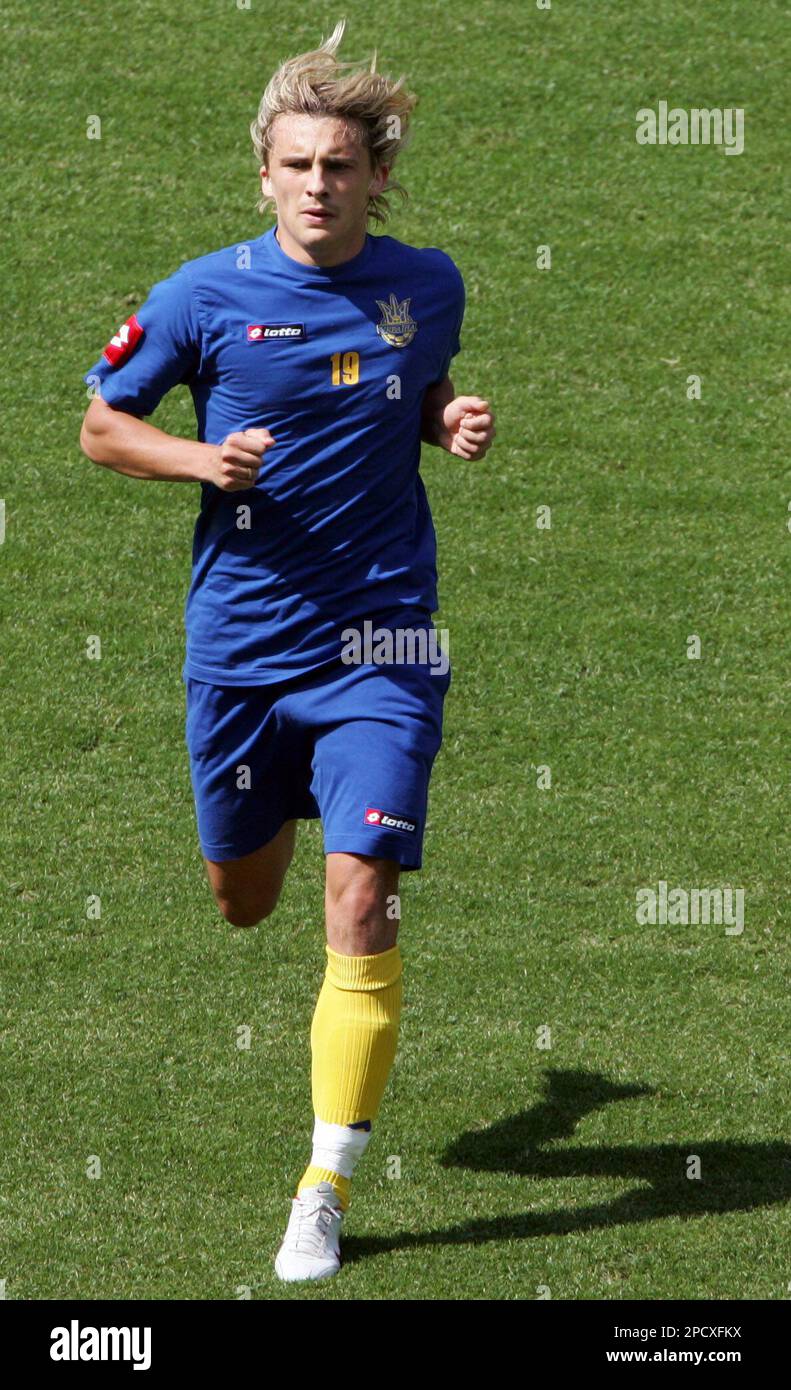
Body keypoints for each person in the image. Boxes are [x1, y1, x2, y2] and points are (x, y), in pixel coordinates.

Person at [79, 17, 495, 1282]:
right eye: (298, 164)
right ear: (264, 172)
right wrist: (198, 457)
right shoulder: (199, 296)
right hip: (244, 646)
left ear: (376, 177)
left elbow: (399, 382)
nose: (321, 184)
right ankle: (273, 825)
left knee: (359, 892)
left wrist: (443, 415)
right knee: (242, 899)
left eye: (342, 165)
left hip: (380, 634)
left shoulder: (426, 286)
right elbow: (101, 428)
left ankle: (323, 1182)